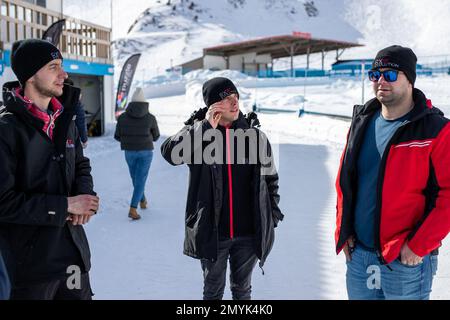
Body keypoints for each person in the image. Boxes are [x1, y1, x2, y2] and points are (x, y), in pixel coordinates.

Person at [335, 45, 450, 300]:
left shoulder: (436, 130)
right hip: (360, 257)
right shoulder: (362, 122)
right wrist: (343, 232)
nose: (380, 82)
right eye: (375, 75)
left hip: (405, 260)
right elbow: (345, 182)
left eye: (390, 75)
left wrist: (418, 245)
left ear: (410, 80)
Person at [161, 77, 284, 300]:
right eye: (227, 99)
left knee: (242, 290)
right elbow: (170, 153)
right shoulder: (200, 134)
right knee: (213, 292)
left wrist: (271, 216)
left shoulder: (255, 136)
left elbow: (270, 179)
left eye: (236, 97)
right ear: (213, 106)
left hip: (248, 234)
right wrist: (205, 126)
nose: (234, 103)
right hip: (213, 233)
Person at [0, 39, 99, 300]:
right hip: (31, 269)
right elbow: (4, 203)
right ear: (30, 76)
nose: (63, 75)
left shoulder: (64, 119)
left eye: (62, 66)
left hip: (74, 258)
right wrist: (66, 206)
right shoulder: (6, 129)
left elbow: (80, 164)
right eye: (53, 67)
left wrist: (85, 198)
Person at [114, 87, 160, 220]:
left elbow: (117, 136)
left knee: (136, 179)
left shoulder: (122, 117)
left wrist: (129, 140)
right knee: (140, 179)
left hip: (129, 152)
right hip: (146, 152)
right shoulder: (150, 117)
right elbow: (156, 136)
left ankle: (143, 201)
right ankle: (133, 209)